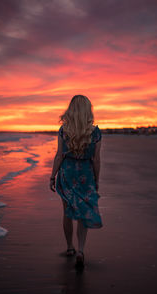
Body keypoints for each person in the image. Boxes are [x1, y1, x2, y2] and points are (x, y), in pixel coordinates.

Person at [49, 95, 103, 269]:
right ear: (88, 110)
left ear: (71, 110)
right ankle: (80, 250)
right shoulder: (95, 132)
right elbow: (96, 159)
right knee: (82, 212)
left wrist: (52, 176)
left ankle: (69, 247)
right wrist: (96, 180)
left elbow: (59, 155)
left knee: (67, 211)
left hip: (67, 173)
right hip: (85, 175)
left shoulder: (64, 130)